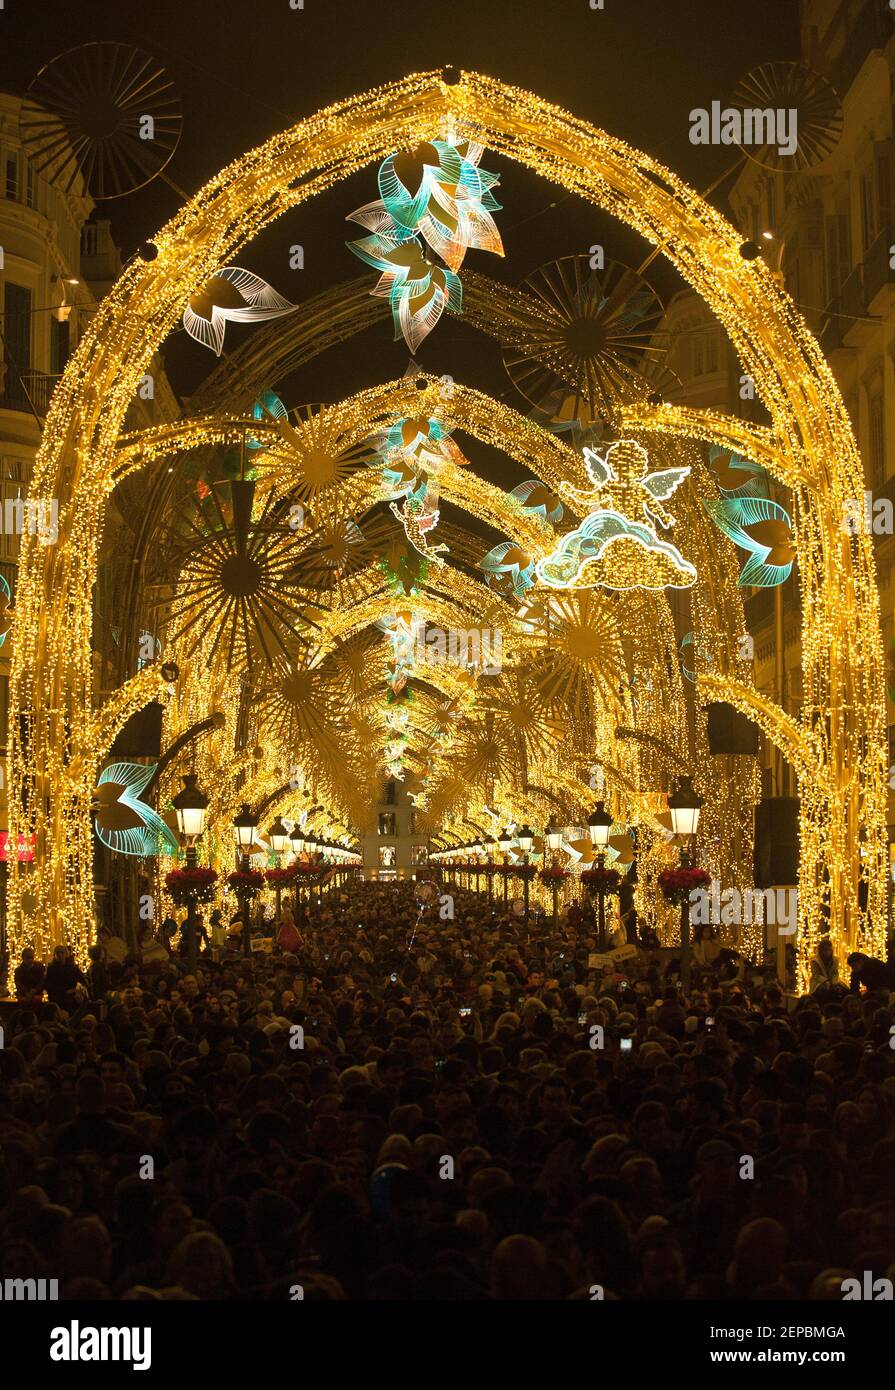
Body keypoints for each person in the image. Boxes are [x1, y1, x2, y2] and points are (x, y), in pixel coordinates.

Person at [44, 944, 87, 1009]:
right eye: (58, 953)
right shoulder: (51, 968)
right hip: (57, 995)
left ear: (66, 954)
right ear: (55, 954)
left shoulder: (72, 967)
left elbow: (81, 980)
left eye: (62, 953)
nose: (60, 955)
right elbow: (49, 984)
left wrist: (75, 990)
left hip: (72, 994)